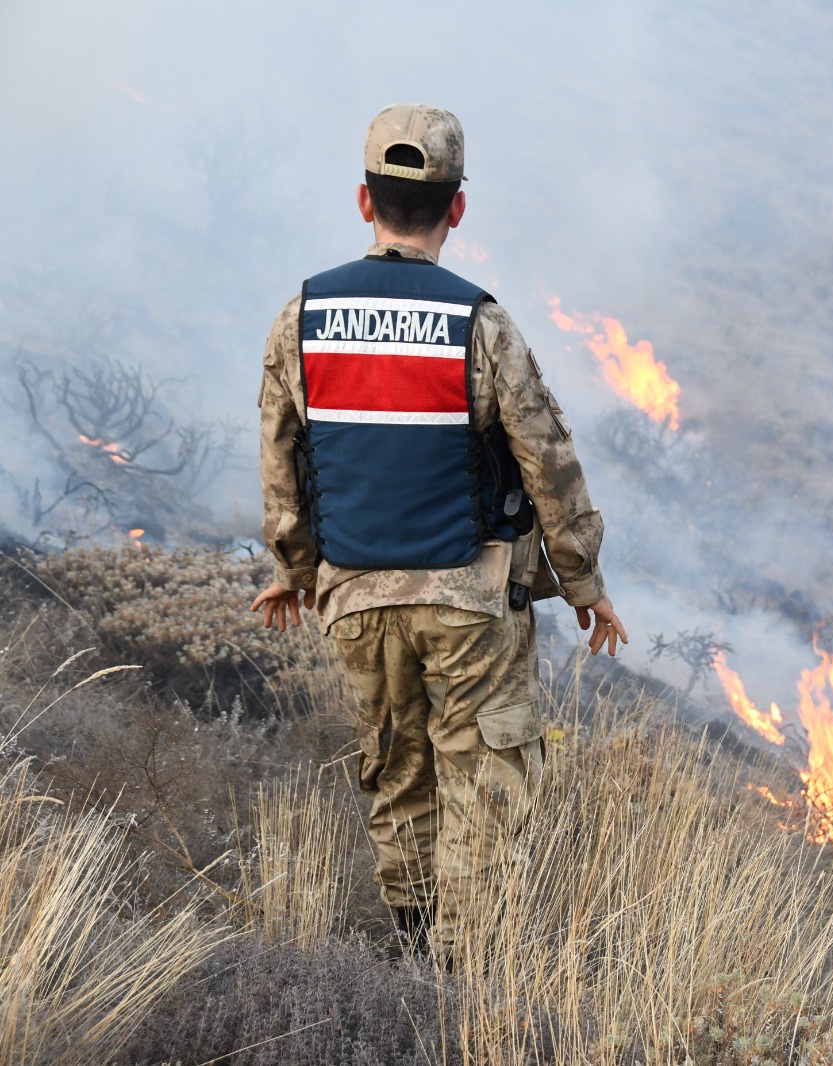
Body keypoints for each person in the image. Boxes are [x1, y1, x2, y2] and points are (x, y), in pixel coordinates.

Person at [250, 104, 628, 960]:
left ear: (364, 200)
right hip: (469, 598)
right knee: (484, 781)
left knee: (398, 775)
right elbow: (548, 460)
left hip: (355, 596)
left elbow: (281, 454)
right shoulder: (479, 322)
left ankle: (415, 957)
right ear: (457, 208)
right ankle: (465, 979)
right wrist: (582, 582)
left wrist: (295, 568)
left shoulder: (301, 317)